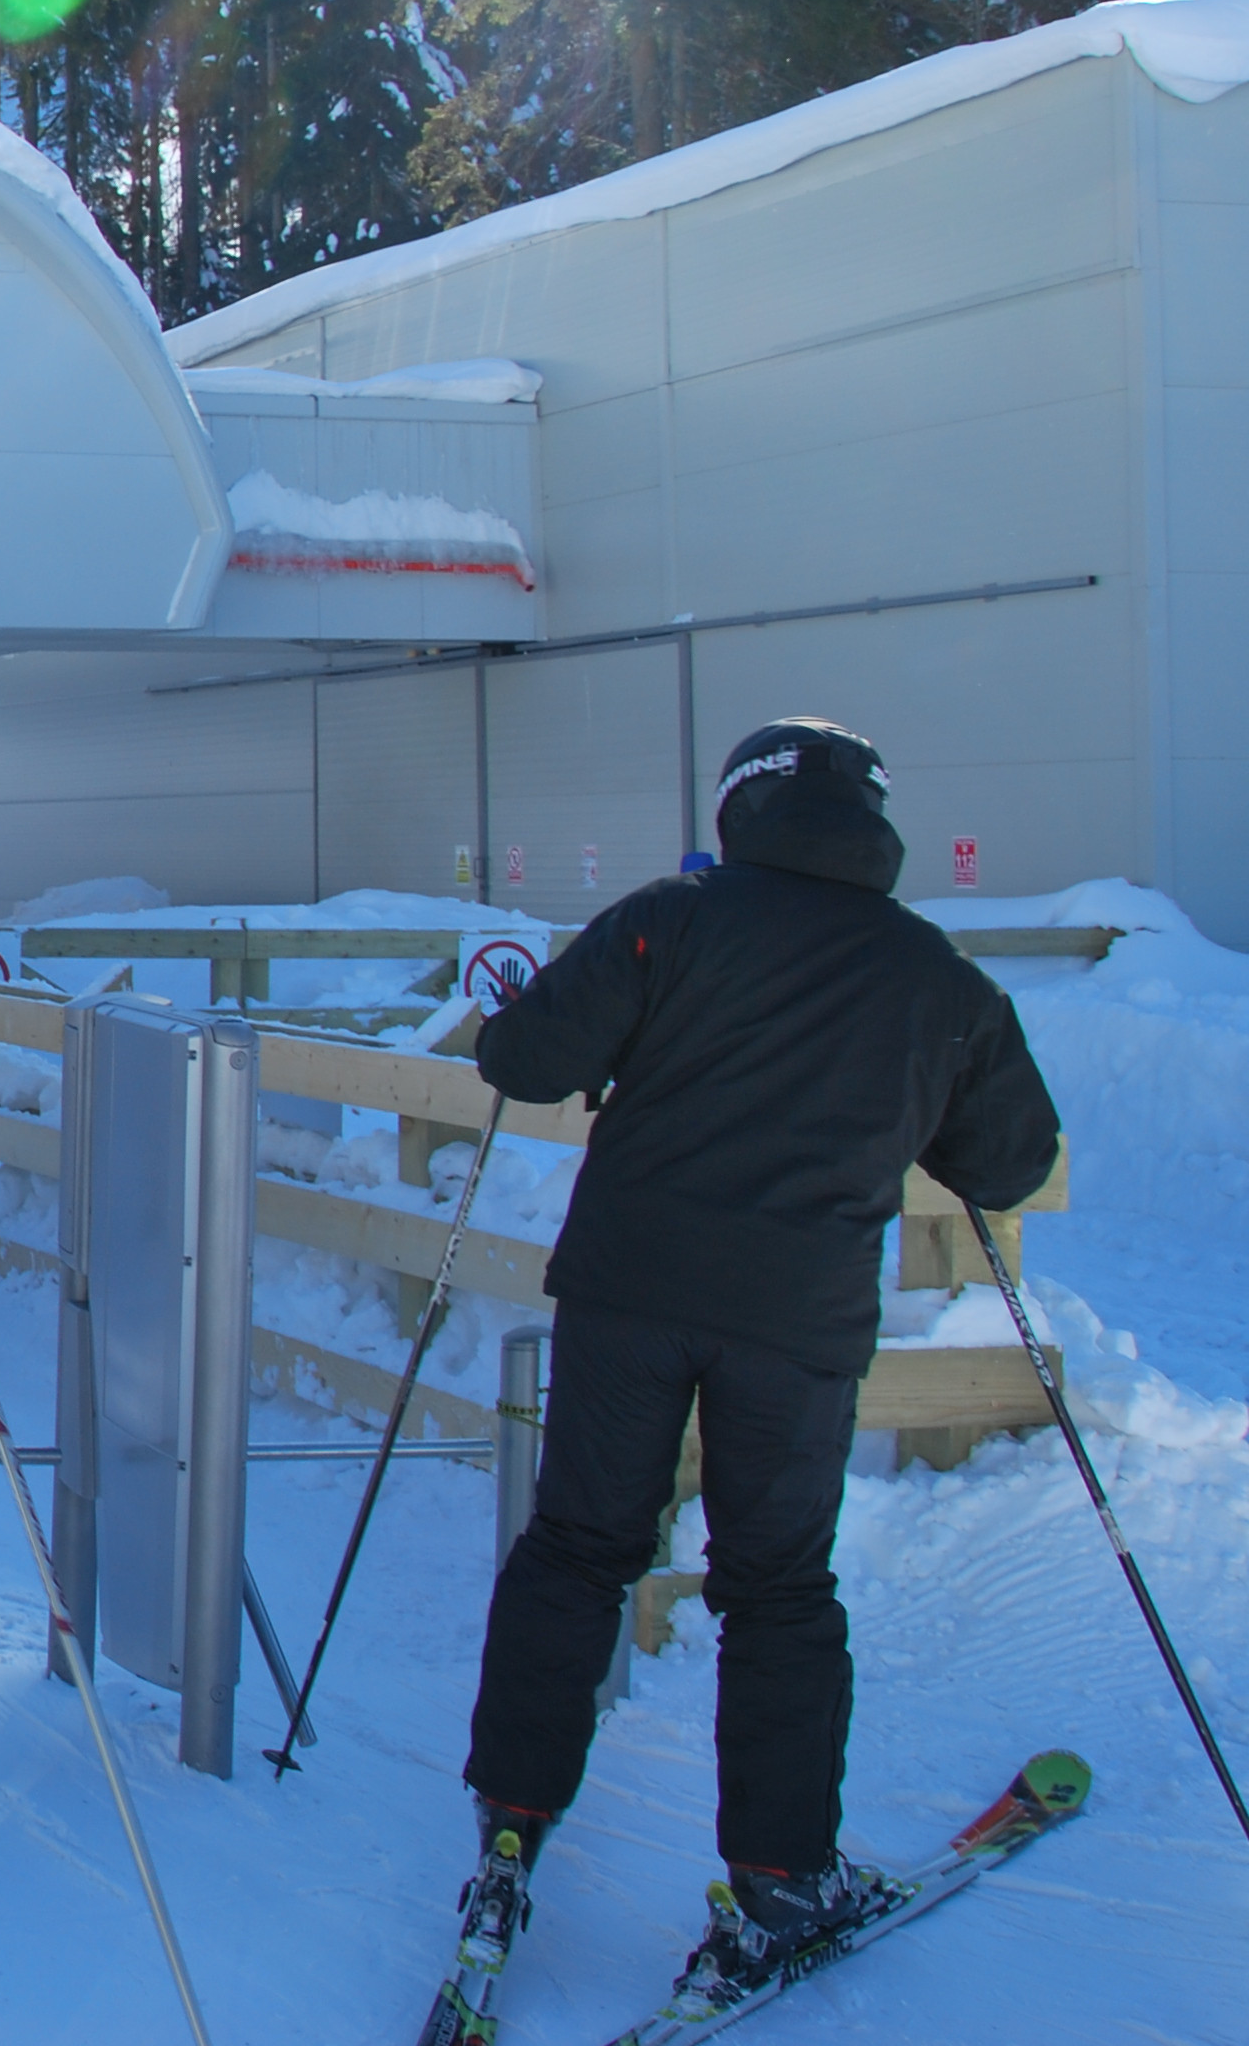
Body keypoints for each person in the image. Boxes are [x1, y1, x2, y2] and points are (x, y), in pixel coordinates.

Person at [449, 717, 1061, 2000]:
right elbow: (1005, 1161)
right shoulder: (935, 979)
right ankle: (781, 1881)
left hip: (628, 1289)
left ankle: (507, 1829)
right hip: (796, 1321)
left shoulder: (666, 920)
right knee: (776, 1591)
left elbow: (524, 1058)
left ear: (736, 809)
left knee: (575, 1546)